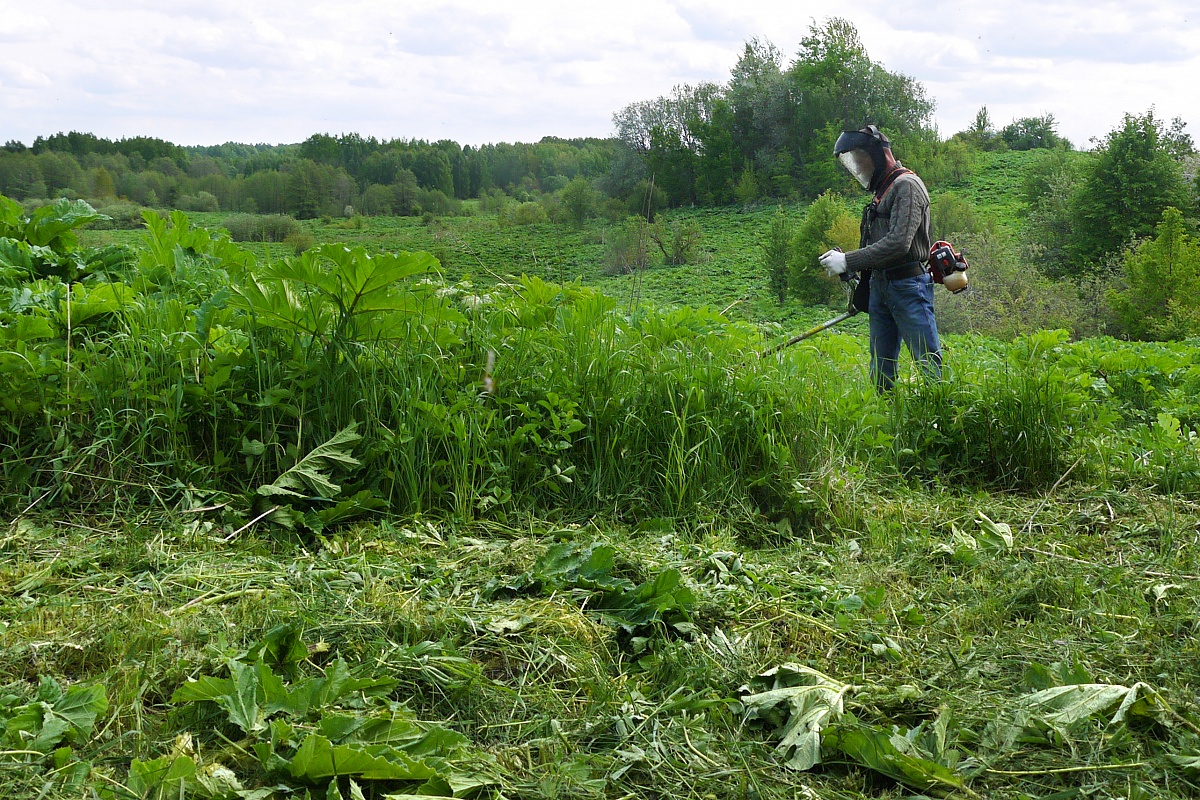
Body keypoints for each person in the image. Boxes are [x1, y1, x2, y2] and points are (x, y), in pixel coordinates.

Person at [818, 125, 941, 393]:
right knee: (881, 367)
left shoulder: (906, 186)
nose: (859, 168)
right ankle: (886, 416)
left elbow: (898, 243)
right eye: (855, 163)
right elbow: (877, 242)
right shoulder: (883, 189)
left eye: (861, 161)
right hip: (881, 286)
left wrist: (848, 261)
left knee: (928, 363)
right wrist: (852, 268)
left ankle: (942, 419)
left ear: (876, 156)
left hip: (909, 287)